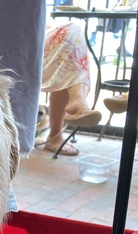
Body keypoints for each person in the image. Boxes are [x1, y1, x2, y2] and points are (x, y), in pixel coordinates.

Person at [41, 21, 102, 156]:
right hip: (11, 40)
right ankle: (78, 97)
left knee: (72, 34)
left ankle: (77, 97)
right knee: (69, 37)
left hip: (36, 36)